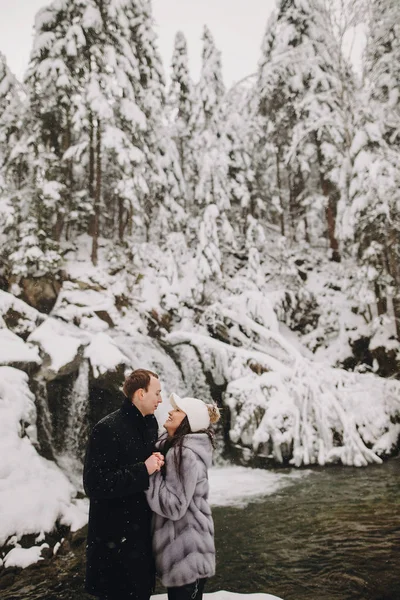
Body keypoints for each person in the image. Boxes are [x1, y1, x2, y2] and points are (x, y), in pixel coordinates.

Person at [83, 368, 165, 600]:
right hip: (114, 545)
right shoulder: (107, 428)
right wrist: (144, 469)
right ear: (140, 393)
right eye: (157, 393)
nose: (160, 399)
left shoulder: (150, 424)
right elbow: (94, 484)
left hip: (140, 541)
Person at [145, 392, 221, 600]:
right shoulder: (176, 448)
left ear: (188, 420)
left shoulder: (184, 454)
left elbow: (174, 506)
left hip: (187, 553)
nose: (170, 412)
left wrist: (148, 474)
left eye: (178, 410)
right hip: (188, 551)